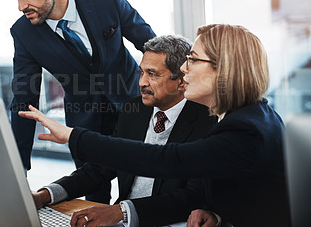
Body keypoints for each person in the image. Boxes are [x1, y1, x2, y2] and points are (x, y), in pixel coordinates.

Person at [19, 24, 291, 227]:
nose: (185, 70)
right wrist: (217, 216)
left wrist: (72, 136)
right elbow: (242, 193)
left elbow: (166, 161)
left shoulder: (243, 129)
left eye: (193, 60)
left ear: (225, 71)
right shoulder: (246, 118)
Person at [0, 0, 155, 204]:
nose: (21, 6)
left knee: (139, 185)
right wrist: (18, 171)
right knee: (94, 197)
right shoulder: (24, 33)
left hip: (135, 108)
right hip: (84, 124)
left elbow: (150, 44)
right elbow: (23, 99)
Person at [31, 35, 216, 227]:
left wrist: (121, 211)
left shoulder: (208, 120)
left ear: (181, 81)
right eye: (141, 72)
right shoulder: (134, 110)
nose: (142, 82)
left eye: (152, 74)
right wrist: (45, 195)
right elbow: (100, 168)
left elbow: (193, 195)